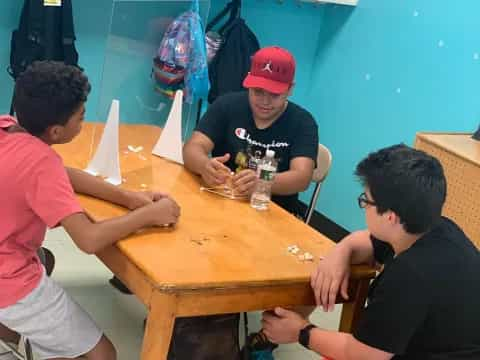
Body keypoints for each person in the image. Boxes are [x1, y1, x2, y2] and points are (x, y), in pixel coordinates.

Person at [0, 61, 181, 360]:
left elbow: (63, 175)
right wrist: (148, 215)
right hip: (8, 280)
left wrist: (127, 197)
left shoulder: (8, 126)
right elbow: (89, 240)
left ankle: (13, 337)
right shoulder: (43, 163)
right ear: (56, 131)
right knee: (102, 354)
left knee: (45, 259)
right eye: (81, 117)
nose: (84, 123)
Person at [261, 144, 480, 360]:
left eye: (365, 200)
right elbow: (366, 240)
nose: (364, 206)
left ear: (390, 216)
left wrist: (301, 332)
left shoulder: (410, 275)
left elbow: (363, 354)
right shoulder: (434, 227)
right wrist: (341, 251)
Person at [183, 45, 319, 217]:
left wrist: (263, 182)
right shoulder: (227, 105)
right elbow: (193, 147)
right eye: (257, 91)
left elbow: (302, 178)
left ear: (290, 89)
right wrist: (204, 166)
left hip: (272, 212)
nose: (265, 101)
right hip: (222, 201)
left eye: (275, 95)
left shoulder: (303, 123)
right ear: (248, 83)